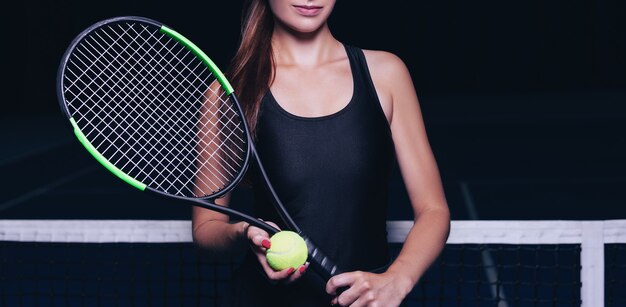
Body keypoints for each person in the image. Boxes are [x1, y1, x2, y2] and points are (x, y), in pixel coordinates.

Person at [192, 0, 451, 306]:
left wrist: (398, 279)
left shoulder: (386, 73)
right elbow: (206, 229)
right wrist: (246, 232)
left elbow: (434, 210)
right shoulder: (230, 90)